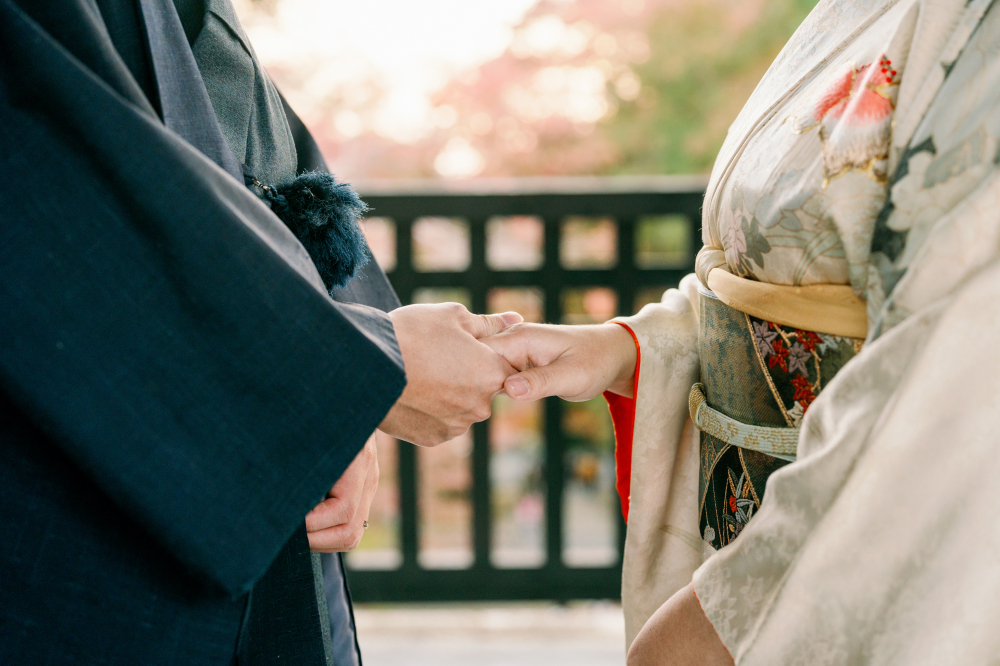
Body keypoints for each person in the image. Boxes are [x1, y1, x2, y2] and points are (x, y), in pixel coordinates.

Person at [0, 0, 519, 664]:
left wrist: (340, 388)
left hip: (263, 491)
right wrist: (348, 363)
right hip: (91, 529)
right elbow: (46, 185)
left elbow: (252, 141)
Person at [483, 0, 1000, 663]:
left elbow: (961, 365)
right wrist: (631, 346)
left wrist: (737, 611)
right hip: (738, 531)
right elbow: (775, 271)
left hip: (849, 545)